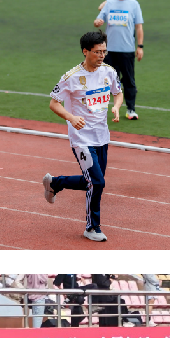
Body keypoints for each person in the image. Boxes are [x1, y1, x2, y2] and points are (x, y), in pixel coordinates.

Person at [44, 31, 123, 243]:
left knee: (94, 181)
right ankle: (92, 227)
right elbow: (53, 103)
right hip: (81, 139)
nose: (102, 56)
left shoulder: (109, 71)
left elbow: (118, 92)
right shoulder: (71, 77)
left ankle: (55, 183)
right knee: (97, 182)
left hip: (102, 136)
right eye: (97, 52)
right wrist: (71, 118)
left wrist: (116, 106)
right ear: (85, 51)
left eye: (104, 51)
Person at [94, 0, 143, 120]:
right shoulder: (109, 3)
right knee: (105, 81)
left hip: (127, 50)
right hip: (109, 50)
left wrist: (140, 46)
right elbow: (99, 18)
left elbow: (139, 27)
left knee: (129, 80)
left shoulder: (134, 4)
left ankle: (131, 109)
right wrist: (97, 22)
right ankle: (100, 110)